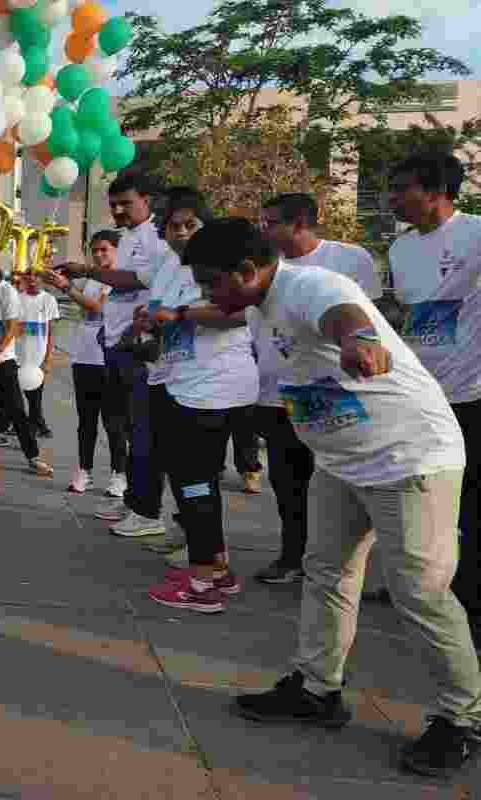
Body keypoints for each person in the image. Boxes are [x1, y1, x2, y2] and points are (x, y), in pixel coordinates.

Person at [189, 217, 481, 779]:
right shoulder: (260, 301)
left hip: (409, 459)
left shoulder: (312, 286)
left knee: (420, 592)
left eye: (212, 282)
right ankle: (317, 689)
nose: (209, 293)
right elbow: (218, 313)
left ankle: (463, 717)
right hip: (345, 462)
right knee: (326, 572)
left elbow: (345, 315)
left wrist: (361, 341)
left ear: (248, 271)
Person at [248, 193, 385, 585]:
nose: (265, 230)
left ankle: (353, 567)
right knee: (288, 484)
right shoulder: (265, 266)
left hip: (332, 392)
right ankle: (294, 556)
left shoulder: (348, 259)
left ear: (301, 223)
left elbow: (369, 316)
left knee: (340, 484)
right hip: (277, 391)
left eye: (271, 222)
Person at [138, 189, 259, 612]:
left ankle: (204, 583)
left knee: (195, 482)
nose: (182, 233)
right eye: (174, 225)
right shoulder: (170, 267)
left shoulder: (223, 264)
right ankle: (215, 567)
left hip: (214, 388)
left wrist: (181, 315)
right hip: (178, 382)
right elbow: (163, 318)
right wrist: (150, 327)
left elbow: (243, 310)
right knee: (193, 481)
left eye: (191, 224)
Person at [385, 151, 481, 632]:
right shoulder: (400, 249)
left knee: (470, 504)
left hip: (473, 394)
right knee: (423, 496)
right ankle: (423, 583)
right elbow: (407, 313)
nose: (392, 198)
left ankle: (469, 604)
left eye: (402, 188)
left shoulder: (476, 233)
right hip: (421, 395)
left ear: (439, 190)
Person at [61, 174, 172, 530]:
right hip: (115, 345)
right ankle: (133, 501)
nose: (119, 210)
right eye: (114, 205)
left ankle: (148, 512)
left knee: (143, 431)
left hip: (138, 347)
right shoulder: (126, 237)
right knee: (125, 428)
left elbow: (137, 280)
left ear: (148, 199)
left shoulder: (158, 237)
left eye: (126, 202)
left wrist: (88, 271)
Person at [47, 231, 125, 495]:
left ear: (117, 250)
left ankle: (119, 474)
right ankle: (84, 470)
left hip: (110, 358)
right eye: (95, 251)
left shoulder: (120, 279)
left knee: (113, 420)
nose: (99, 255)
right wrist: (59, 274)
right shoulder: (92, 279)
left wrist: (66, 287)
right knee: (86, 419)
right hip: (84, 356)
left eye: (105, 250)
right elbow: (82, 302)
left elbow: (97, 308)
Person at [0, 253, 52, 476]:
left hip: (3, 361)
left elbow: (12, 330)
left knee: (16, 408)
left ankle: (33, 457)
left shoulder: (6, 291)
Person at [16, 270, 59, 440]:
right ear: (24, 279)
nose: (32, 279)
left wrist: (48, 359)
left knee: (35, 398)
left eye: (36, 275)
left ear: (42, 279)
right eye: (29, 275)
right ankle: (36, 425)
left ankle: (32, 431)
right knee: (16, 398)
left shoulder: (49, 300)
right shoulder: (17, 298)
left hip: (38, 359)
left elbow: (51, 332)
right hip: (18, 358)